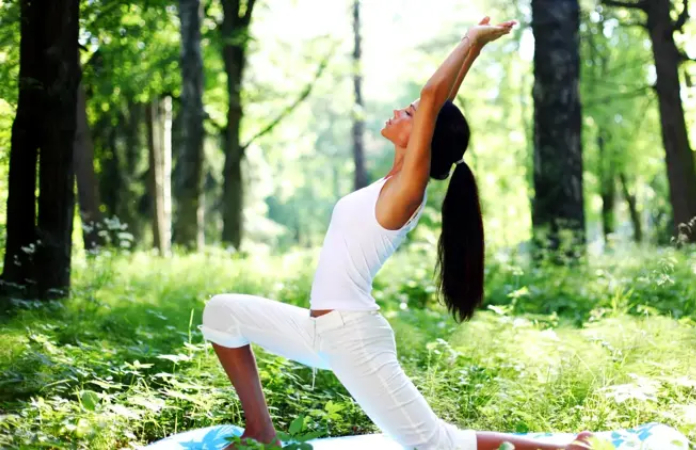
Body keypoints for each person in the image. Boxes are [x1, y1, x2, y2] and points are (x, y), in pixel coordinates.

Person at [200, 16, 593, 450]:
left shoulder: (409, 190)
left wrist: (469, 39)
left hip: (352, 339)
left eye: (409, 114)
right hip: (317, 333)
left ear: (423, 136)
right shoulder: (393, 181)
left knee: (437, 445)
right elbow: (439, 103)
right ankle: (261, 432)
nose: (399, 111)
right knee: (222, 313)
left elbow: (431, 99)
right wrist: (474, 51)